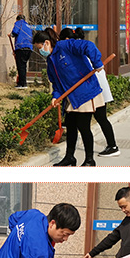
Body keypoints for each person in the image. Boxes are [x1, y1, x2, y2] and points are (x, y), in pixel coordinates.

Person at [33, 28, 104, 166]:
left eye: (40, 47)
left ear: (47, 43)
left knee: (83, 127)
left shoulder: (66, 46)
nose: (40, 51)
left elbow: (88, 46)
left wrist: (97, 62)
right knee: (71, 126)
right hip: (71, 97)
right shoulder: (51, 61)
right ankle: (69, 157)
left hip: (85, 92)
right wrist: (56, 96)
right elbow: (56, 83)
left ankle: (90, 160)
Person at [62, 27, 121, 157]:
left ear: (66, 40)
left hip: (95, 91)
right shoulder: (77, 48)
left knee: (97, 119)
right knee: (100, 118)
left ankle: (112, 146)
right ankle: (112, 145)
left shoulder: (77, 51)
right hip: (97, 89)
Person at [9, 15, 33, 89]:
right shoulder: (28, 25)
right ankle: (23, 82)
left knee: (20, 66)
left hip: (21, 47)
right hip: (29, 48)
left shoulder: (18, 23)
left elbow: (15, 32)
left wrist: (11, 35)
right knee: (24, 65)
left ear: (17, 19)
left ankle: (22, 84)